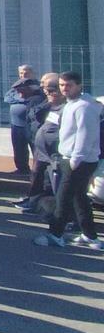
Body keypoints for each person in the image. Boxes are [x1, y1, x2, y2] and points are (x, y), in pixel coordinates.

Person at [37, 71, 102, 249]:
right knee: (79, 197)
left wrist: (75, 159)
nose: (64, 89)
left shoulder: (84, 107)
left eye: (69, 85)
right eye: (62, 85)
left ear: (79, 86)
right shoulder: (73, 104)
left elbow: (84, 135)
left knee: (63, 198)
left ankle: (56, 234)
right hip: (73, 158)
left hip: (78, 160)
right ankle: (90, 236)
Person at [16, 73, 63, 212]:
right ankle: (35, 201)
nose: (43, 89)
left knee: (53, 181)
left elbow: (39, 115)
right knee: (37, 176)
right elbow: (34, 114)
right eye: (43, 85)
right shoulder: (46, 101)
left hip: (54, 153)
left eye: (49, 88)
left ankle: (59, 211)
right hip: (41, 148)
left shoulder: (62, 107)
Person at [4, 66, 41, 174]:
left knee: (36, 149)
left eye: (26, 73)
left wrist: (22, 99)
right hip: (16, 124)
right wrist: (22, 98)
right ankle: (22, 169)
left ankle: (38, 171)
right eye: (21, 73)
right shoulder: (16, 86)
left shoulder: (37, 86)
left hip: (31, 125)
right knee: (19, 149)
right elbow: (7, 98)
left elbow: (38, 100)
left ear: (32, 73)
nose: (23, 75)